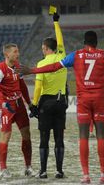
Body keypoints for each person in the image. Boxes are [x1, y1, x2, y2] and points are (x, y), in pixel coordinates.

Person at [16, 31, 104, 184]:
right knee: (101, 136)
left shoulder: (76, 55)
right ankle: (103, 175)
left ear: (84, 42)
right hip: (99, 100)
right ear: (96, 42)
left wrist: (32, 70)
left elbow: (54, 67)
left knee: (83, 136)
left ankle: (86, 176)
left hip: (83, 101)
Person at [29, 12, 67, 179]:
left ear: (45, 48)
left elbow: (38, 88)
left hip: (45, 103)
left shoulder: (41, 64)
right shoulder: (62, 58)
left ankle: (43, 171)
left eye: (42, 48)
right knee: (59, 137)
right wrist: (56, 22)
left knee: (44, 138)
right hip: (60, 102)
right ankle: (59, 171)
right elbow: (60, 39)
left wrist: (33, 104)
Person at [0, 43, 34, 179]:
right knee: (6, 136)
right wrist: (3, 104)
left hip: (19, 104)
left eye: (18, 52)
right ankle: (3, 169)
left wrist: (29, 103)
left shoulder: (18, 67)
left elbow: (22, 86)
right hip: (7, 107)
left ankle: (28, 167)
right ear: (7, 54)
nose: (17, 54)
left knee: (26, 135)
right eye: (15, 52)